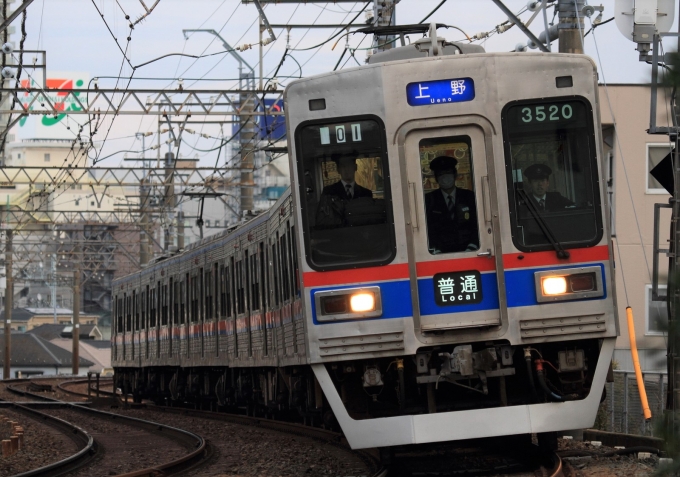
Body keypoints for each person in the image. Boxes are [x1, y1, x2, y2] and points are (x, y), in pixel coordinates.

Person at [424, 155, 479, 253]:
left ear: (455, 175)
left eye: (448, 173)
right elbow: (428, 229)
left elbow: (477, 224)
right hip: (439, 254)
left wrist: (473, 245)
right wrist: (434, 249)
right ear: (436, 178)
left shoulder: (469, 197)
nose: (445, 177)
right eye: (441, 174)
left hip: (469, 251)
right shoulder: (429, 200)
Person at [315, 156, 373, 228]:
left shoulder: (366, 194)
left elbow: (370, 221)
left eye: (349, 165)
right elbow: (322, 220)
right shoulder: (329, 192)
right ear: (338, 169)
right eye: (343, 166)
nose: (346, 169)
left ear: (355, 167)